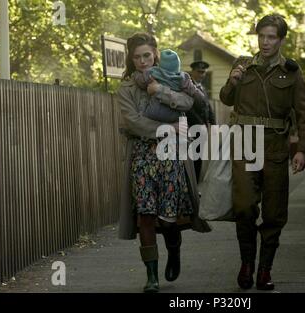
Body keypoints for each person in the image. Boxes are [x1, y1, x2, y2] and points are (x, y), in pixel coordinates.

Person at [219, 14, 305, 290]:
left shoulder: (291, 73)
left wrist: (302, 150)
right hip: (246, 145)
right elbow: (226, 98)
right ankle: (246, 264)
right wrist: (233, 81)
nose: (265, 42)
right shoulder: (244, 66)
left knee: (273, 214)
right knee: (245, 207)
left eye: (271, 37)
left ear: (281, 40)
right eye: (262, 36)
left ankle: (264, 270)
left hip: (275, 148)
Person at [117, 32, 210, 293]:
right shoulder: (126, 88)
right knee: (145, 214)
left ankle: (174, 249)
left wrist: (161, 91)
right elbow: (132, 120)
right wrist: (166, 127)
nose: (142, 61)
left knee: (168, 217)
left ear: (155, 53)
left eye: (147, 55)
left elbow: (188, 102)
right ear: (131, 59)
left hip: (171, 154)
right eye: (137, 57)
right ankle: (151, 276)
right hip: (142, 154)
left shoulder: (172, 77)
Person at [133, 49, 207, 123]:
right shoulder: (182, 78)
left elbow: (141, 81)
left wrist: (135, 74)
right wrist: (200, 96)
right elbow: (193, 91)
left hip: (153, 112)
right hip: (173, 115)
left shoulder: (153, 72)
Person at [186, 60, 216, 180]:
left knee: (199, 157)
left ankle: (196, 183)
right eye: (199, 72)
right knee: (191, 157)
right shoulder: (187, 86)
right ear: (193, 72)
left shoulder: (202, 87)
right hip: (190, 127)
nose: (202, 75)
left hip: (201, 128)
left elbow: (207, 106)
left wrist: (212, 123)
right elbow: (188, 108)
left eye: (204, 72)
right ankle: (191, 183)